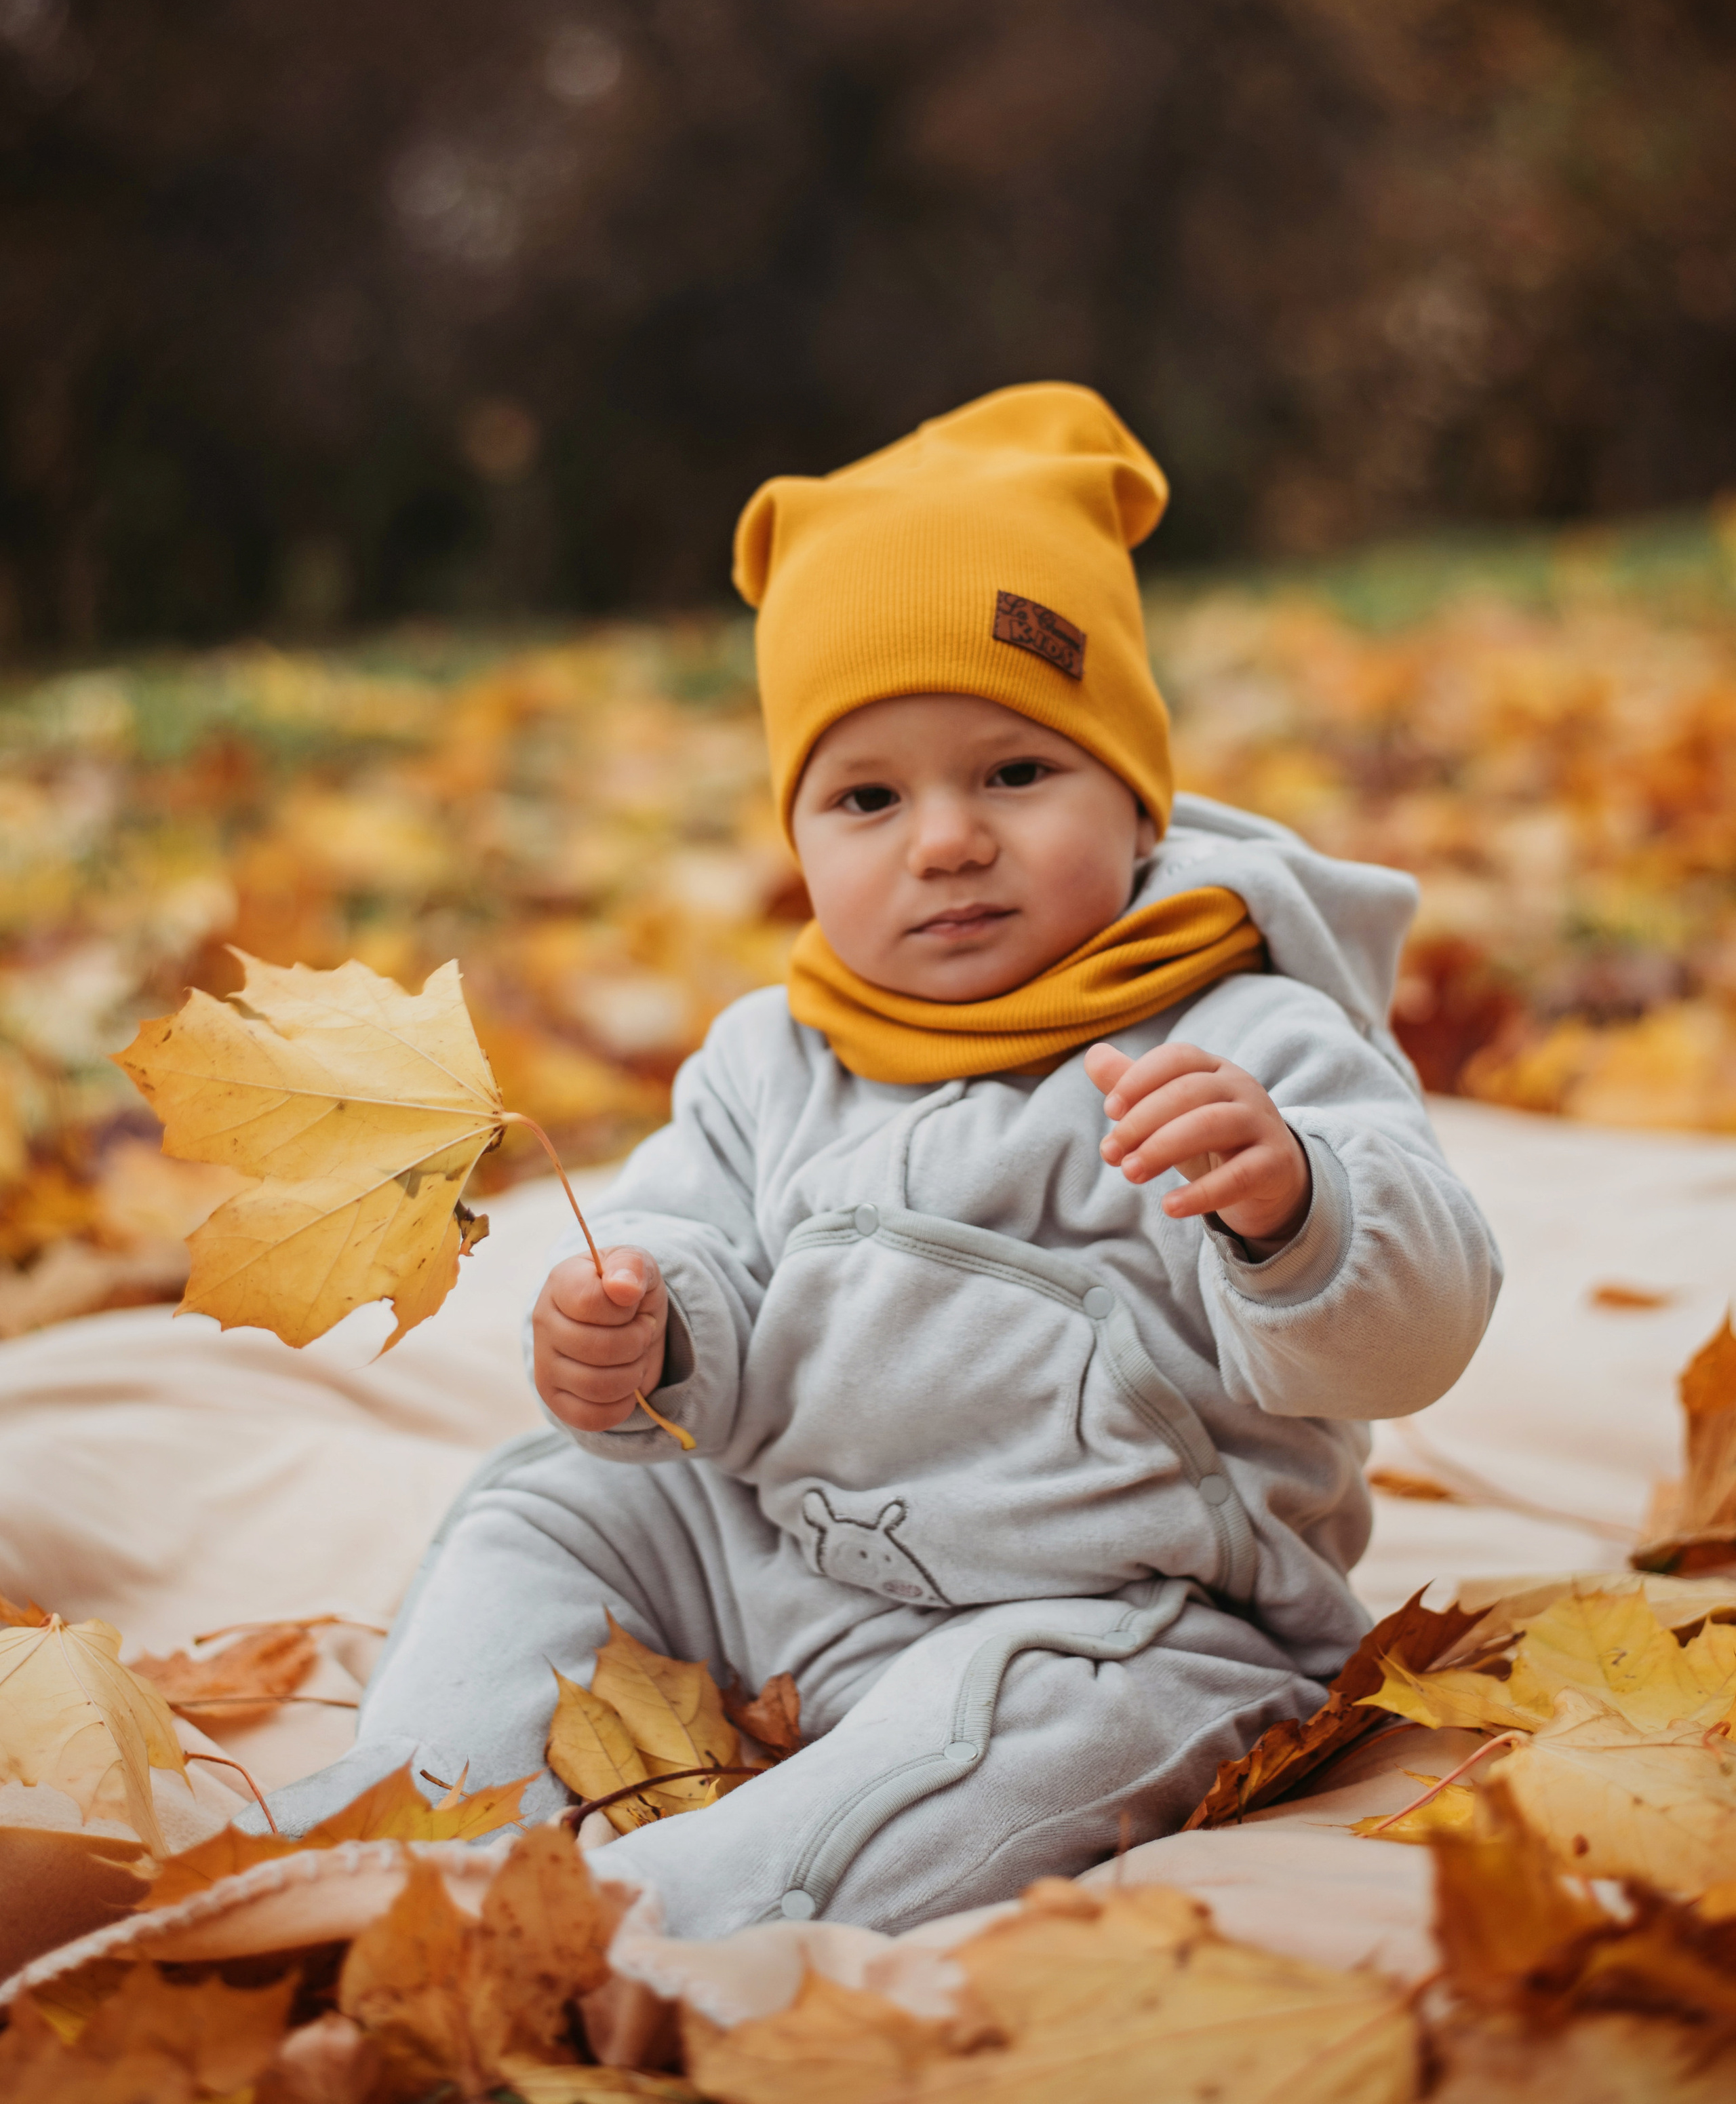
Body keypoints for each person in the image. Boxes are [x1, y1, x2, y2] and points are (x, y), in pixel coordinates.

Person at [260, 384, 1500, 1936]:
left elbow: (1415, 1331)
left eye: (1014, 773)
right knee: (547, 1503)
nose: (944, 840)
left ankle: (657, 1921)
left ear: (1134, 800)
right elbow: (690, 1249)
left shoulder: (1238, 1033)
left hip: (1109, 1606)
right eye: (867, 796)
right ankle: (414, 1828)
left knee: (1044, 1722)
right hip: (780, 1554)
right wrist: (639, 1331)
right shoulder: (767, 1057)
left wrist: (1294, 1209)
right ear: (801, 840)